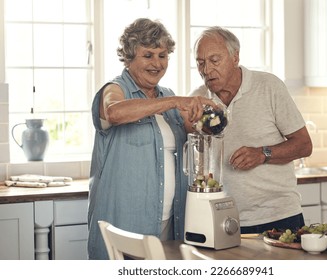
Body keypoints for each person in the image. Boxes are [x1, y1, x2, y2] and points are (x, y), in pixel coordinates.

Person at [87, 18, 216, 259]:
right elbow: (114, 112)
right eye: (148, 55)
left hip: (169, 223)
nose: (157, 63)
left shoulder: (165, 96)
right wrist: (176, 101)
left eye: (163, 55)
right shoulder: (114, 90)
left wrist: (209, 117)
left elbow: (196, 132)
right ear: (129, 57)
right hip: (124, 225)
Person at [189, 26, 313, 234]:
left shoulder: (269, 86)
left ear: (235, 57)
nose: (207, 70)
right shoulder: (199, 98)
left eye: (214, 60)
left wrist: (262, 154)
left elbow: (304, 145)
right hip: (223, 218)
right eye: (200, 63)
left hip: (279, 217)